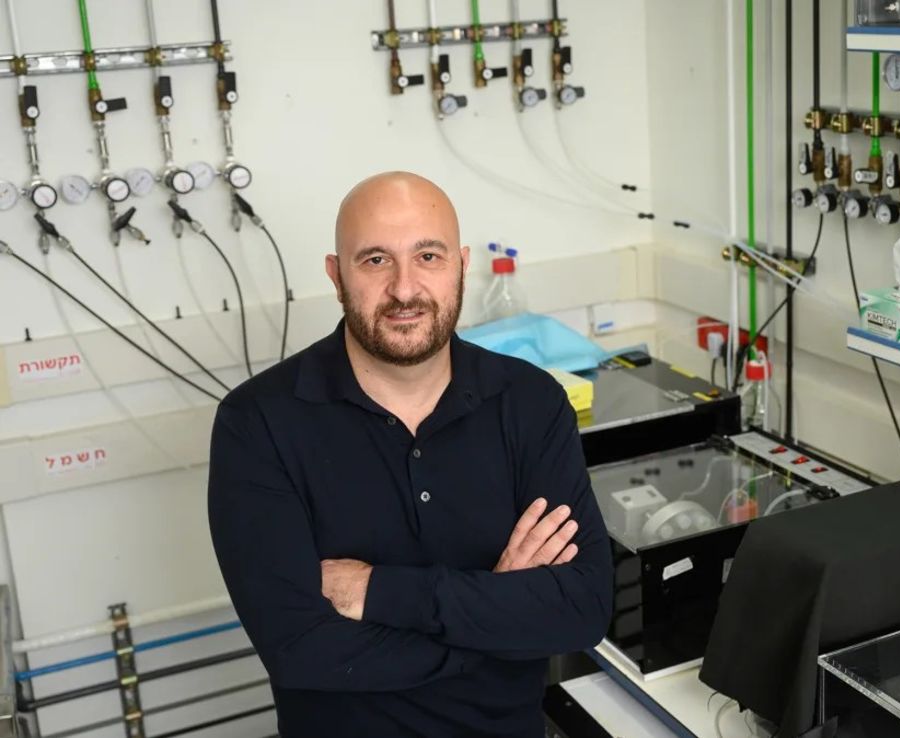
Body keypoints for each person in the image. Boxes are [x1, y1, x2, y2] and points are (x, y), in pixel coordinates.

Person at [207, 172, 613, 737]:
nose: (404, 289)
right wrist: (497, 615)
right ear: (336, 275)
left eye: (428, 255)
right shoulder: (257, 423)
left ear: (461, 264)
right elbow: (300, 649)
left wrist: (377, 592)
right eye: (375, 260)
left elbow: (583, 609)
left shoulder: (530, 402)